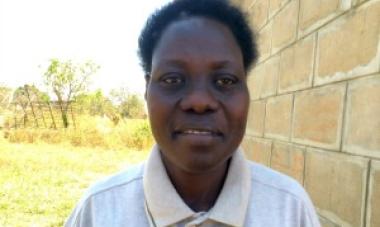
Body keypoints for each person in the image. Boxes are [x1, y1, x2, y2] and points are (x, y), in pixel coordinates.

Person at [65, 0, 321, 226]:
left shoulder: (289, 208)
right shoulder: (98, 211)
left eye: (225, 81)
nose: (199, 101)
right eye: (173, 79)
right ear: (146, 90)